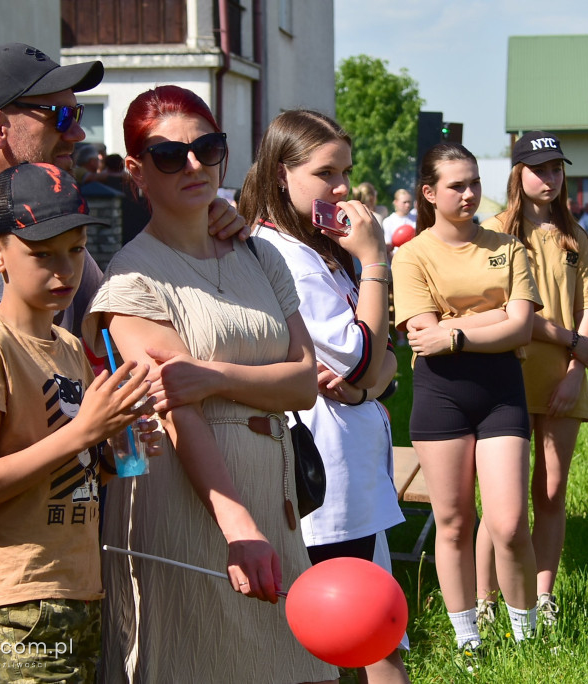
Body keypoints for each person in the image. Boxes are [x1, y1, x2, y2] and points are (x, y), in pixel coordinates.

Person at [0, 43, 243, 683]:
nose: (78, 131)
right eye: (59, 116)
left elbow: (105, 328)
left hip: (49, 549)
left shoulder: (58, 239)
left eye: (77, 112)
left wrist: (206, 214)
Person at [81, 85, 337, 683]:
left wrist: (214, 375)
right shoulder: (130, 277)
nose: (193, 165)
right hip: (191, 500)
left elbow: (303, 384)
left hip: (274, 495)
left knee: (292, 666)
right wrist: (237, 526)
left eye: (208, 148)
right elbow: (178, 412)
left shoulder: (257, 254)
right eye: (169, 156)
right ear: (136, 171)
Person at [0, 163, 157, 679]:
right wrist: (83, 431)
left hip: (77, 584)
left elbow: (72, 472)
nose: (65, 270)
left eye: (77, 249)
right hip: (20, 600)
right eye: (42, 254)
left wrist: (110, 444)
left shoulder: (67, 347)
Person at [241, 108, 410, 684]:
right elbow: (364, 355)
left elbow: (383, 364)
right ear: (281, 173)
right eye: (326, 173)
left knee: (374, 633)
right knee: (360, 638)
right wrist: (374, 261)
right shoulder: (288, 255)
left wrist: (372, 378)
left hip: (351, 465)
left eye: (346, 172)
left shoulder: (312, 247)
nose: (342, 188)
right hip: (326, 474)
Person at [392, 142, 541, 660]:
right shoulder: (410, 255)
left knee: (508, 523)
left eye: (475, 182)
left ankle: (526, 638)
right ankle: (467, 639)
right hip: (440, 393)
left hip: (502, 391)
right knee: (454, 522)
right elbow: (420, 335)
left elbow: (522, 325)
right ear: (430, 193)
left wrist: (456, 332)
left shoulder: (509, 247)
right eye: (457, 185)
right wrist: (492, 317)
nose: (470, 193)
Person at [478, 131, 588, 629]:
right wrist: (570, 341)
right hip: (505, 378)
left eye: (556, 169)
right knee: (500, 501)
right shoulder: (492, 233)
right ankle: (485, 598)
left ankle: (543, 597)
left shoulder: (575, 235)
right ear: (517, 174)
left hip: (562, 382)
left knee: (550, 493)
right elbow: (502, 312)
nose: (549, 178)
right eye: (539, 169)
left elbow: (587, 308)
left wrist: (575, 372)